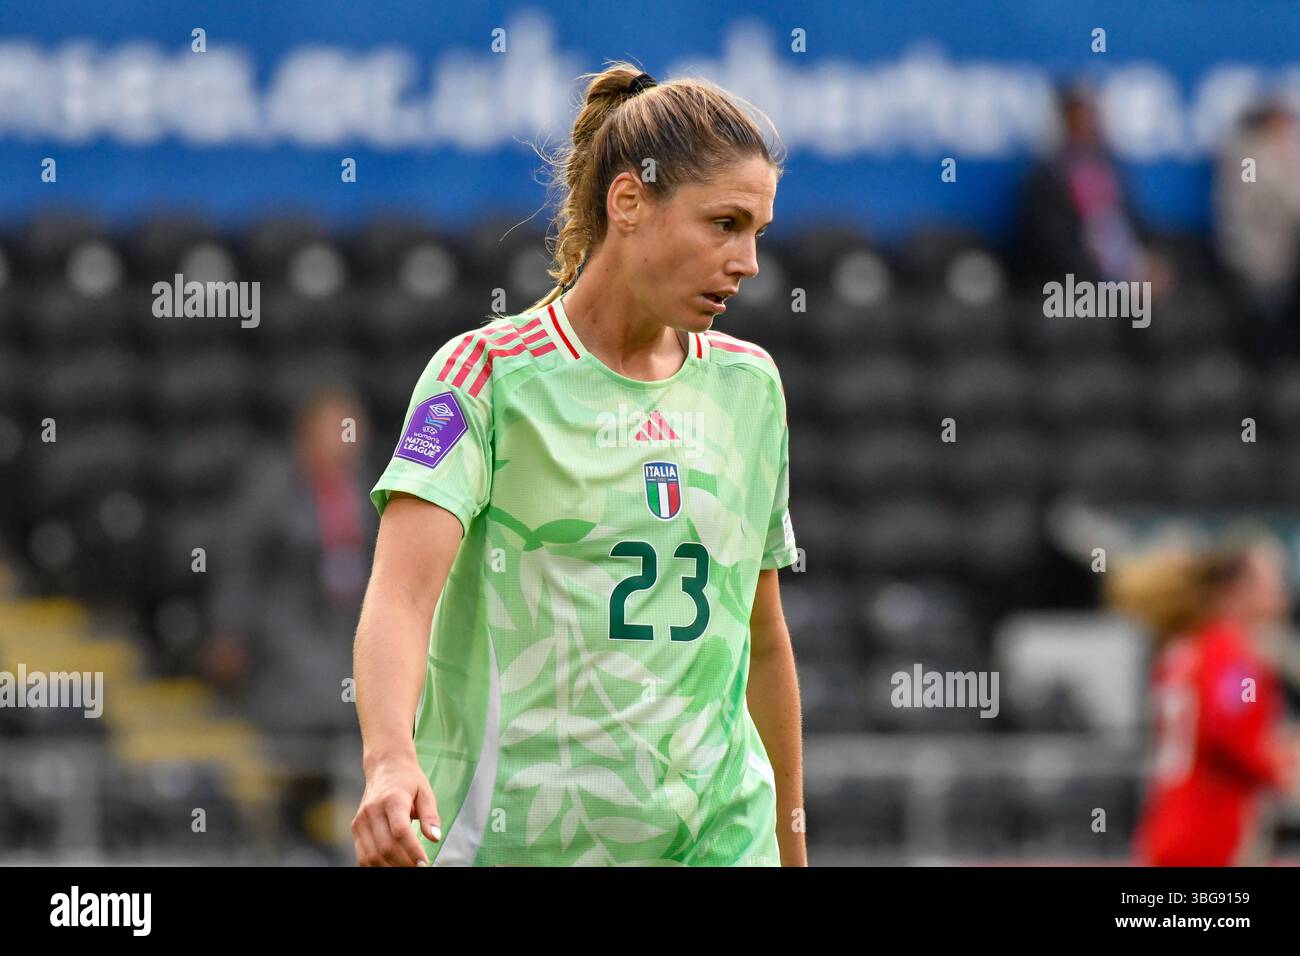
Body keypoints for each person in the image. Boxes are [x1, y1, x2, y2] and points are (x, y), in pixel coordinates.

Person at [351, 64, 806, 866]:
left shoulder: (750, 387)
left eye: (757, 233)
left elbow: (762, 638)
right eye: (724, 224)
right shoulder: (485, 377)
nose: (748, 263)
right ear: (628, 202)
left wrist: (789, 843)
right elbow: (401, 594)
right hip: (517, 841)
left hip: (717, 838)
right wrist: (390, 756)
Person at [1106, 541, 1299, 866]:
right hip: (1208, 832)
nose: (1282, 590)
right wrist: (1281, 766)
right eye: (1271, 580)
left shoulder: (1186, 645)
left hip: (1170, 824)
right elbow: (1230, 732)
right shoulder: (1234, 657)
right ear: (1241, 590)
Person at [1017, 84, 1173, 298]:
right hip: (1078, 279)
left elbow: (1135, 224)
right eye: (1079, 117)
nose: (1087, 124)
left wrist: (1148, 263)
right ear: (1064, 121)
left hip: (1125, 269)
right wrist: (1105, 277)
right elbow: (1054, 244)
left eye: (1091, 116)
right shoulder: (1048, 176)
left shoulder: (1110, 167)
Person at [1214, 100, 1300, 366]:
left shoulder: (1286, 152)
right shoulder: (1246, 155)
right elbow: (1253, 200)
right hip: (1256, 258)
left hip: (1288, 256)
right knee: (1266, 335)